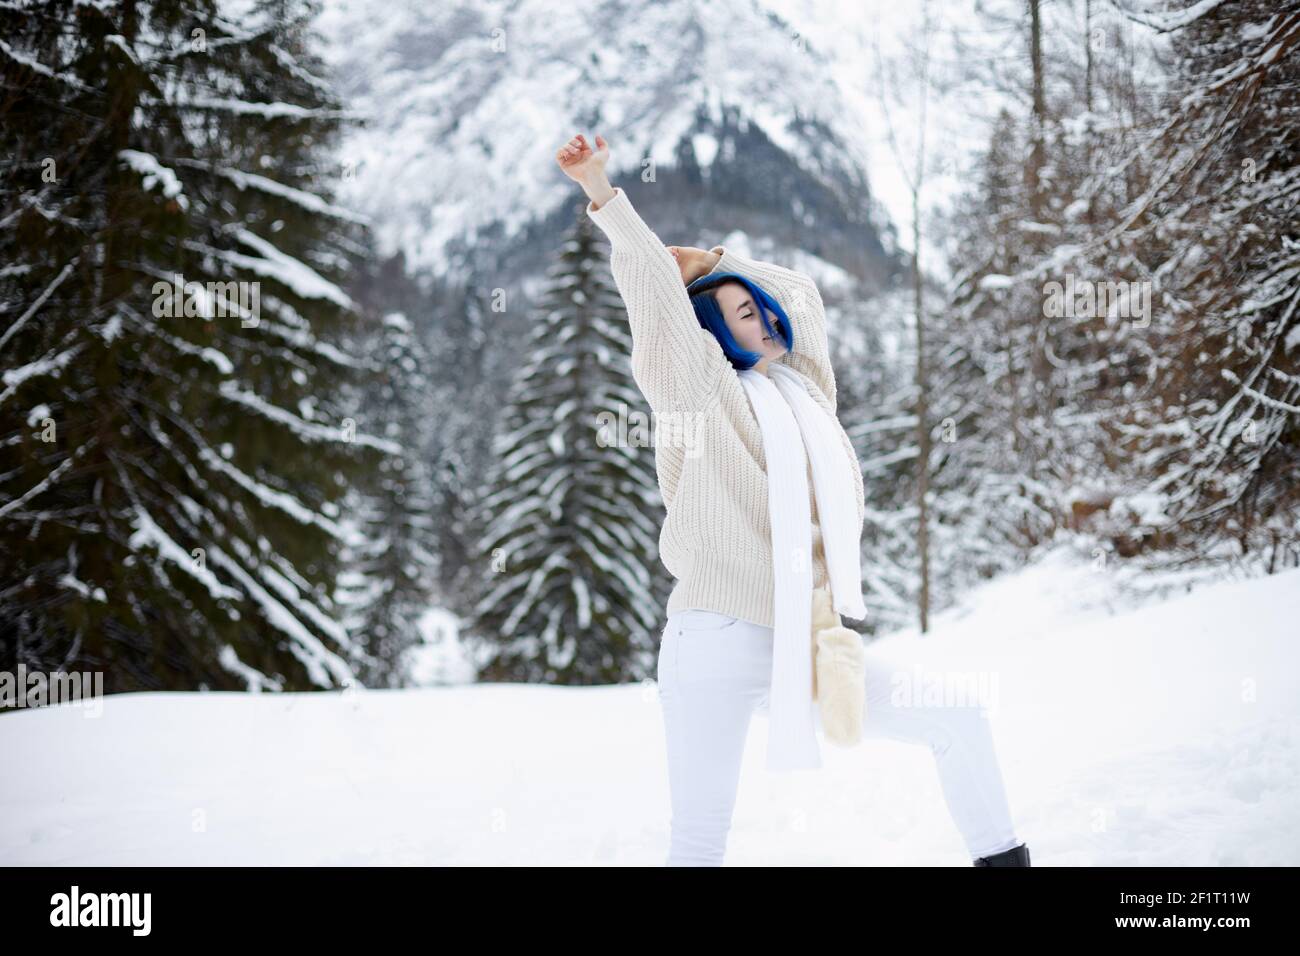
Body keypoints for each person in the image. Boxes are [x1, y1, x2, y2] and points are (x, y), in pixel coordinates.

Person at [555, 132, 1030, 867]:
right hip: (714, 638)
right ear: (710, 332)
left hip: (806, 640)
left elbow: (802, 299)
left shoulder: (806, 395)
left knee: (956, 715)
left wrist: (719, 266)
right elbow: (654, 298)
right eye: (745, 314)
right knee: (700, 840)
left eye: (762, 311)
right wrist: (603, 192)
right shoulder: (697, 389)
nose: (769, 320)